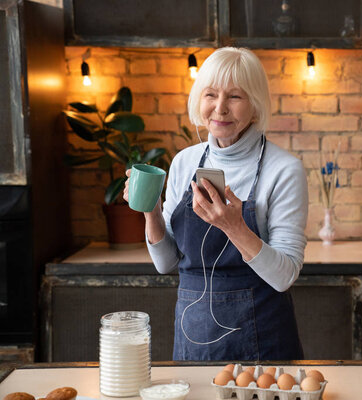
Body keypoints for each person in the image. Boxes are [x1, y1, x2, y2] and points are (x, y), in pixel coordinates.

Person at [123, 47, 308, 361]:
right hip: (193, 334)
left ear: (256, 105)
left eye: (235, 97)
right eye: (211, 95)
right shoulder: (185, 162)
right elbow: (166, 264)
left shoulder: (284, 170)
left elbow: (284, 276)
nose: (220, 109)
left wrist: (233, 226)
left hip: (263, 339)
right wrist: (151, 212)